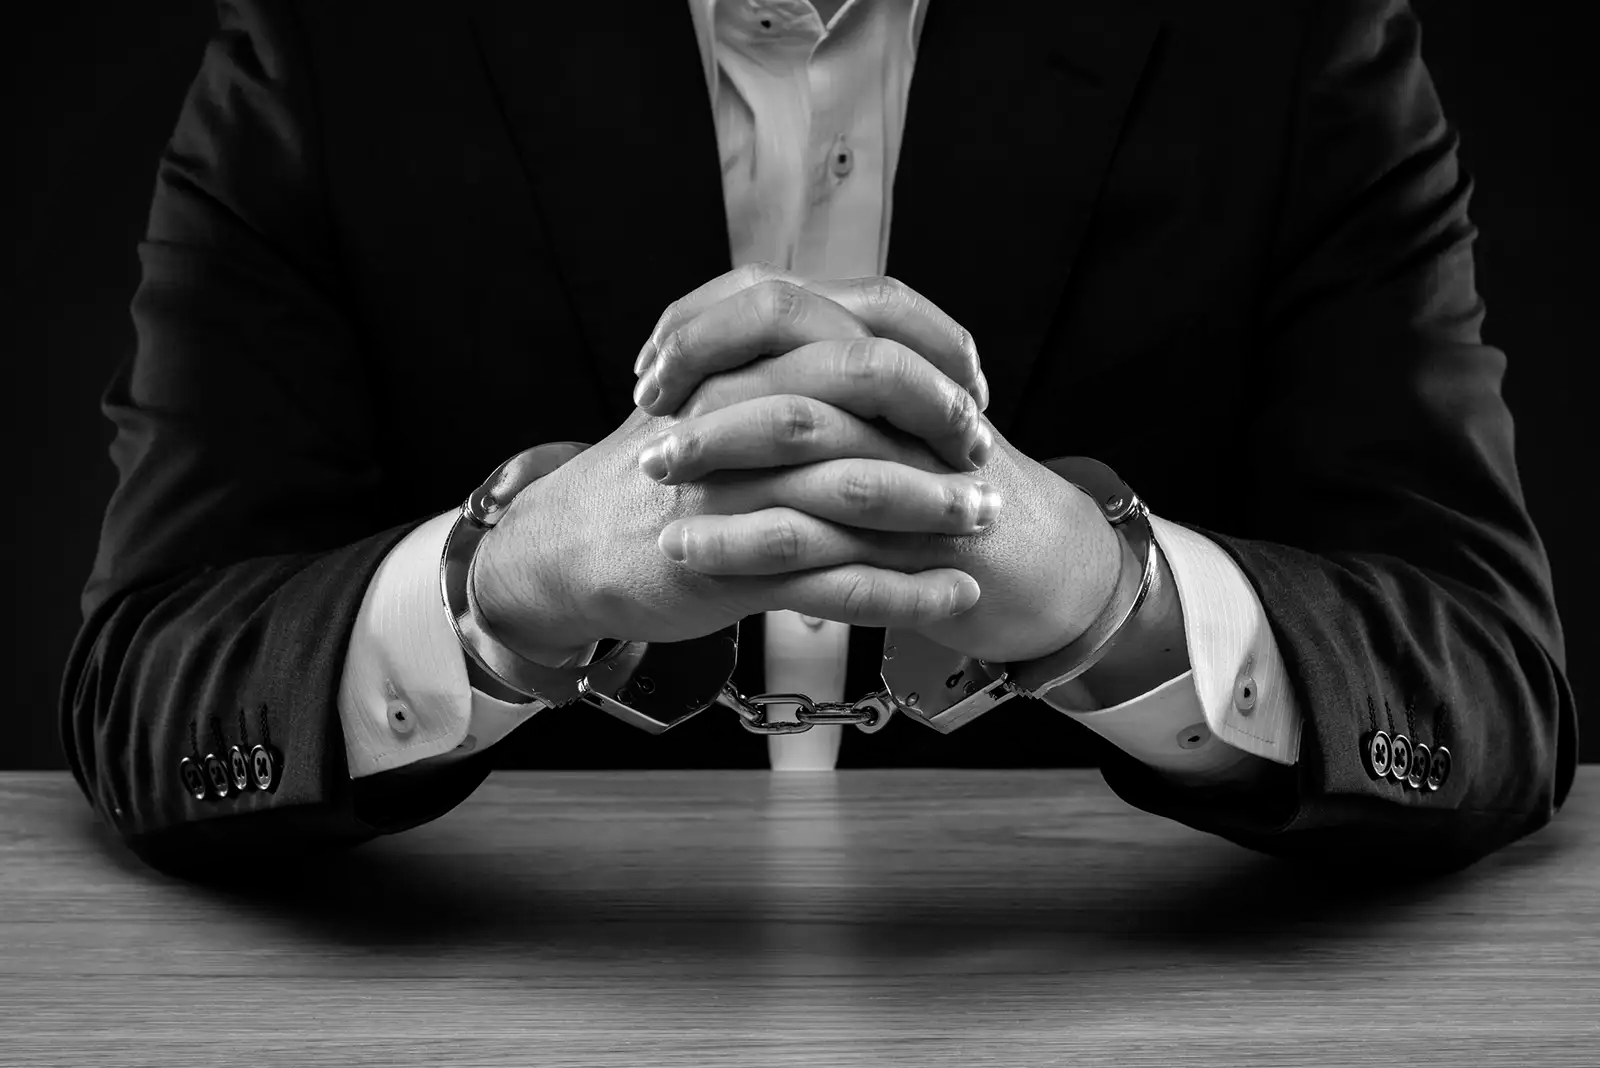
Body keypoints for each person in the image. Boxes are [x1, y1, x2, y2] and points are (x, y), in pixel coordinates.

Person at [62, 0, 1574, 876]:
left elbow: (1489, 680)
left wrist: (1110, 597)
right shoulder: (332, 38)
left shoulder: (1292, 35)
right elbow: (150, 682)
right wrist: (497, 589)